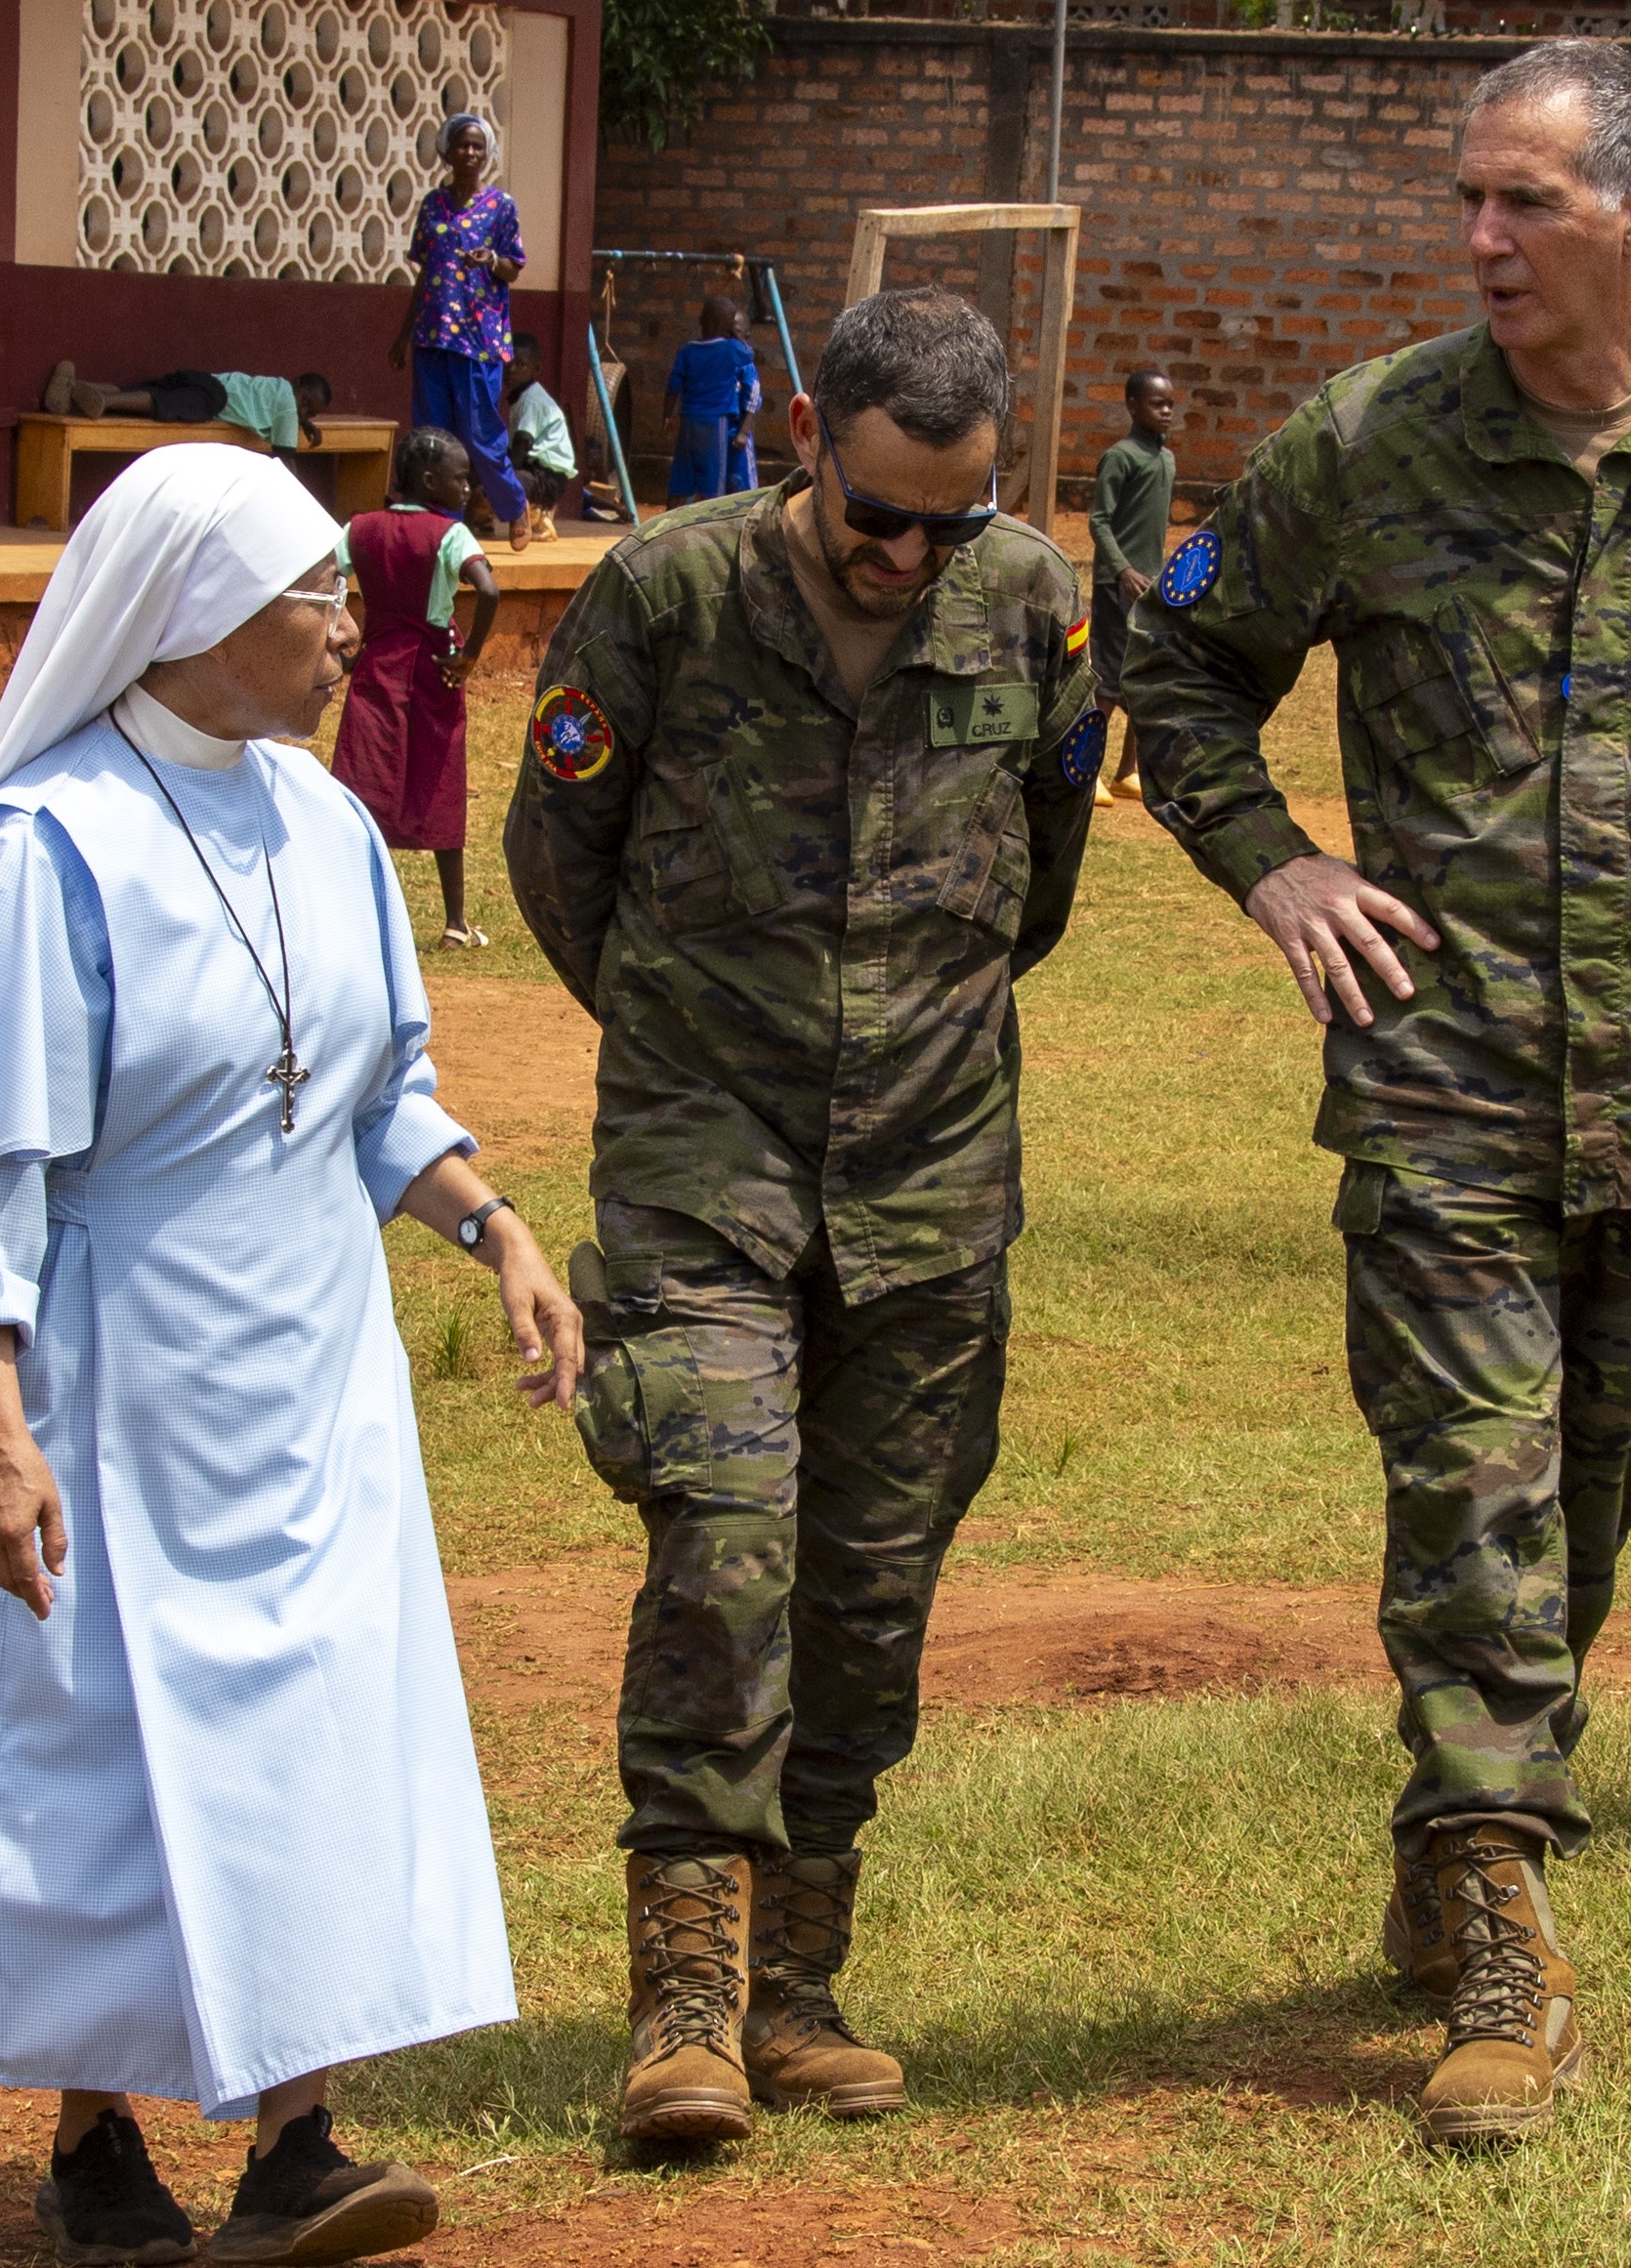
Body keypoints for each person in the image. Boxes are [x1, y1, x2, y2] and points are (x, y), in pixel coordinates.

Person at [1117, 39, 1631, 2150]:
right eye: (1468, 199)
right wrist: (1277, 865)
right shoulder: (1368, 443)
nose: (1481, 239)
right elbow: (1179, 666)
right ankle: (1499, 1927)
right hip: (1440, 1095)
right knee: (1478, 1490)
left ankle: (1465, 1817)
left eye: (1525, 203)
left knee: (1597, 1496)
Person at [0, 442, 572, 2268]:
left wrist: (495, 1224)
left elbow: (375, 1095)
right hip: (106, 1377)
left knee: (309, 1736)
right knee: (111, 1759)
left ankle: (299, 2140)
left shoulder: (321, 824)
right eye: (315, 598)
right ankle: (95, 2147)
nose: (343, 630)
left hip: (310, 1377)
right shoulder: (47, 846)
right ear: (195, 618)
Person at [505, 286, 1096, 2151]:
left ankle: (797, 1982)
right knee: (726, 1541)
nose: (914, 552)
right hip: (707, 1164)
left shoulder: (1028, 600)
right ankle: (681, 1993)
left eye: (956, 516)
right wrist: (704, 1045)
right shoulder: (664, 595)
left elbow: (1046, 872)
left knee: (866, 1583)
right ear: (804, 442)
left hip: (934, 1174)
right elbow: (557, 857)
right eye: (881, 513)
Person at [335, 425, 501, 948]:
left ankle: (353, 913)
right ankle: (455, 923)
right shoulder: (450, 534)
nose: (468, 488)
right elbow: (489, 588)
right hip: (436, 668)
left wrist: (341, 637)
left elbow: (324, 576)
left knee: (367, 780)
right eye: (461, 478)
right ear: (429, 480)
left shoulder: (358, 528)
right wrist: (469, 654)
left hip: (377, 665)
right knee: (440, 781)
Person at [397, 113, 526, 539]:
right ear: (447, 151)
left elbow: (513, 269)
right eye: (461, 145)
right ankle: (442, 526)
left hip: (478, 340)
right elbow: (424, 272)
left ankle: (514, 505)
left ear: (486, 152)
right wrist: (403, 333)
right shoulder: (432, 205)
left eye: (477, 146)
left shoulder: (500, 207)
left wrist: (491, 259)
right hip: (432, 336)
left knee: (478, 431)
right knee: (433, 435)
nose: (469, 153)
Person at [1085, 364, 1182, 806]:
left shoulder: (1166, 459)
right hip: (1115, 585)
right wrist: (1121, 569)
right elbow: (1099, 520)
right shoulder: (1120, 457)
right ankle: (1088, 772)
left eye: (1170, 405)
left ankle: (1129, 772)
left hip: (1151, 588)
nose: (1166, 412)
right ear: (1132, 405)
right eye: (1157, 404)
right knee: (1107, 681)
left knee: (1143, 678)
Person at [38, 359, 329, 456]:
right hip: (214, 400)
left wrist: (306, 424)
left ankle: (75, 387)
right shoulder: (288, 411)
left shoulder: (280, 389)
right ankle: (104, 403)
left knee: (146, 391)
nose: (302, 410)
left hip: (204, 379)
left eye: (310, 411)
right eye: (305, 402)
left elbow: (290, 410)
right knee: (164, 405)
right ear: (296, 384)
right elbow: (285, 461)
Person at [666, 294, 763, 504]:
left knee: (689, 477)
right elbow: (748, 353)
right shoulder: (730, 351)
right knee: (712, 484)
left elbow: (673, 386)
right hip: (715, 425)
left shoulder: (689, 351)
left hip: (710, 426)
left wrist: (744, 432)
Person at [508, 350, 618, 531]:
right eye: (508, 363)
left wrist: (503, 480)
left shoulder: (532, 400)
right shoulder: (522, 397)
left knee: (502, 479)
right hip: (540, 473)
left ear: (536, 368)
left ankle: (524, 515)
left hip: (544, 476)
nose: (511, 369)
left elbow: (521, 447)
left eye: (520, 364)